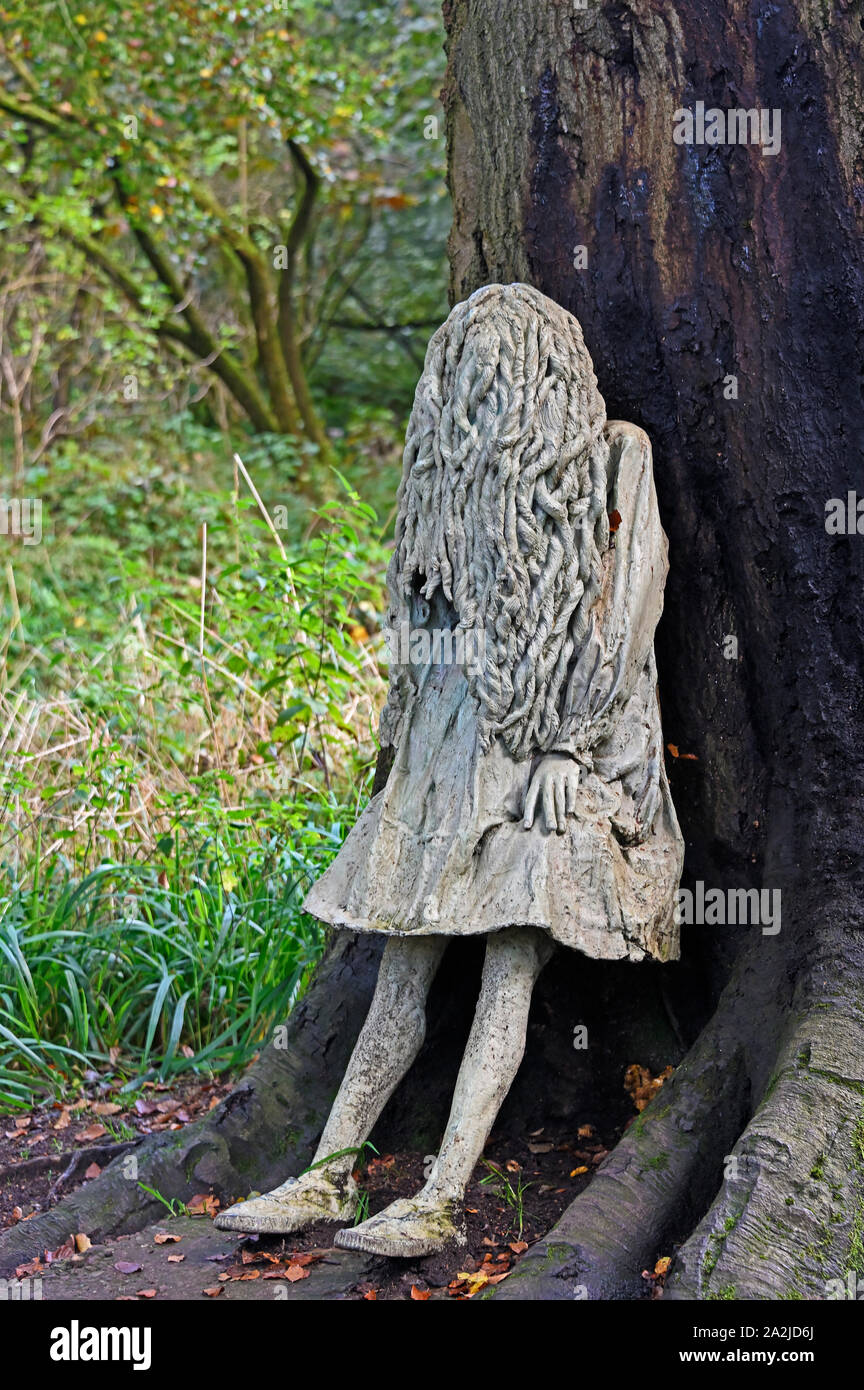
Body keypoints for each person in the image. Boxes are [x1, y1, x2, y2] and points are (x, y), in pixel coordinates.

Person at [215, 283, 684, 1256]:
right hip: (447, 780)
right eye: (464, 374)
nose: (477, 394)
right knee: (400, 978)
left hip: (550, 775)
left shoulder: (616, 459)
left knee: (505, 985)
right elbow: (418, 650)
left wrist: (567, 743)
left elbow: (627, 611)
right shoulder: (448, 497)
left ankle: (441, 1193)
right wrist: (403, 771)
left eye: (496, 370)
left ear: (545, 369)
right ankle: (329, 1171)